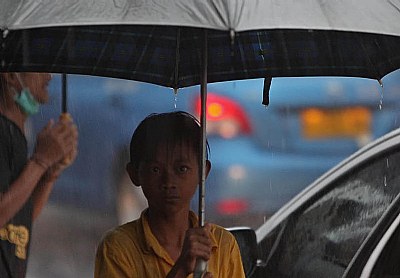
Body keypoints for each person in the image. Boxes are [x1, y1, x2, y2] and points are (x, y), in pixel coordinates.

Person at [95, 111, 245, 277]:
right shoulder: (118, 248)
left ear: (203, 172)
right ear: (134, 174)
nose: (169, 182)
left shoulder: (223, 245)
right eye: (156, 170)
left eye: (182, 169)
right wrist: (180, 269)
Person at [0, 72, 78, 277]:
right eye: (39, 68)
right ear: (10, 75)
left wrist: (50, 171)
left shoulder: (15, 135)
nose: (49, 76)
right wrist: (40, 161)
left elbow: (19, 216)